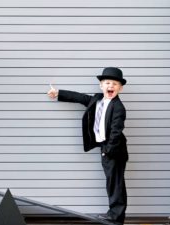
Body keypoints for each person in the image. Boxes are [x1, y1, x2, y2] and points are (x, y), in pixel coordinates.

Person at [47, 67, 128, 225]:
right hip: (106, 148)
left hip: (114, 151)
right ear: (101, 86)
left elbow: (116, 132)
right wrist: (58, 93)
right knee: (111, 183)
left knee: (115, 184)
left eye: (115, 84)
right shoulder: (98, 100)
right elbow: (80, 97)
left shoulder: (118, 107)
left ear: (120, 88)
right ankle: (113, 214)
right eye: (107, 83)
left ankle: (116, 218)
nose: (110, 86)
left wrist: (107, 151)